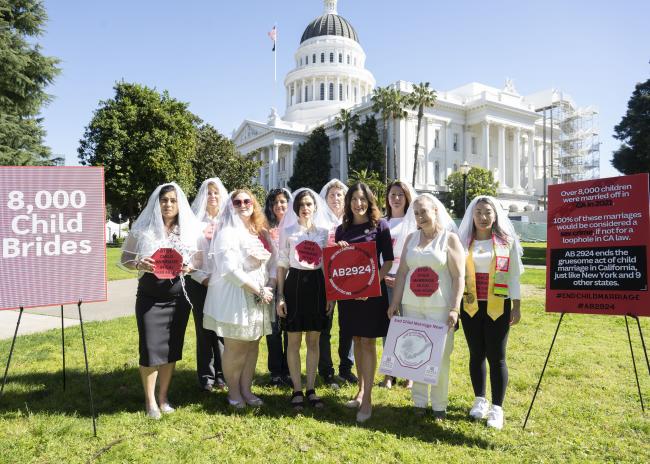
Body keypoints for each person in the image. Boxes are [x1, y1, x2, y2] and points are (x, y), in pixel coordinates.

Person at [121, 183, 201, 419]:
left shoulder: (187, 230)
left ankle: (164, 397)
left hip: (178, 299)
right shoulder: (144, 228)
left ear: (179, 205)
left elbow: (199, 261)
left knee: (170, 349)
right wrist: (138, 264)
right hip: (149, 297)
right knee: (149, 349)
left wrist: (190, 267)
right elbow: (125, 258)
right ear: (157, 203)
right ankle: (150, 402)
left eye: (172, 201)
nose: (168, 204)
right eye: (164, 200)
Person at [387, 194, 465, 420]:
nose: (420, 216)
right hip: (412, 305)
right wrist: (395, 302)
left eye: (424, 211)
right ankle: (419, 402)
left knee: (440, 357)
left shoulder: (449, 239)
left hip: (439, 306)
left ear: (435, 211)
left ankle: (439, 405)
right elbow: (402, 273)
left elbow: (459, 276)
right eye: (416, 213)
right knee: (415, 354)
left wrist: (454, 308)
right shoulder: (411, 238)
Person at [203, 189, 276, 408]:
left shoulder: (260, 232)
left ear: (254, 204)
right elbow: (229, 269)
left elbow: (273, 262)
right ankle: (233, 392)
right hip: (237, 296)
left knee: (253, 345)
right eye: (237, 202)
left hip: (260, 295)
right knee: (236, 347)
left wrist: (270, 285)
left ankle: (246, 389)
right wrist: (259, 290)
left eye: (247, 200)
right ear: (231, 206)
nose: (243, 204)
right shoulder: (227, 232)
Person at [457, 195, 524, 429]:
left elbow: (514, 274)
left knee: (497, 356)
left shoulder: (506, 242)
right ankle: (479, 399)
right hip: (471, 305)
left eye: (488, 212)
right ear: (471, 216)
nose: (483, 217)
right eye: (478, 213)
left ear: (495, 215)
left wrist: (516, 305)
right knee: (476, 354)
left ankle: (497, 408)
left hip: (498, 306)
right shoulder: (464, 242)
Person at [333, 182, 394, 423]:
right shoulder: (341, 230)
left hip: (370, 295)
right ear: (349, 203)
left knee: (368, 343)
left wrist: (372, 284)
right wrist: (339, 249)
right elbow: (338, 262)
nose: (359, 204)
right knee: (356, 340)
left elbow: (387, 261)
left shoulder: (380, 226)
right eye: (354, 199)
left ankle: (367, 399)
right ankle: (359, 390)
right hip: (349, 297)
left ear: (370, 201)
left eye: (363, 199)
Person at [276, 188, 330, 409]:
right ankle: (297, 390)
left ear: (315, 207)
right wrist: (280, 295)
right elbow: (281, 265)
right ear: (295, 209)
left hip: (317, 287)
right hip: (294, 286)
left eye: (309, 204)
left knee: (314, 340)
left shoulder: (324, 233)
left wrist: (331, 295)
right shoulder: (288, 231)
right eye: (301, 205)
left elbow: (328, 265)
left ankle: (311, 388)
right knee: (294, 341)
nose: (305, 208)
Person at [189, 178, 228, 392]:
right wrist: (203, 278)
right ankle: (206, 376)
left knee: (221, 330)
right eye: (209, 193)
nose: (212, 197)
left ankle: (223, 374)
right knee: (204, 330)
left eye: (216, 193)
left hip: (223, 284)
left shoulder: (227, 221)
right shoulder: (195, 223)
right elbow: (190, 257)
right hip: (200, 282)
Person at [318, 179, 356, 387]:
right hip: (326, 279)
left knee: (348, 326)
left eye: (339, 195)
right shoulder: (320, 222)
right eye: (331, 195)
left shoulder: (352, 222)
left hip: (348, 279)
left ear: (345, 198)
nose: (335, 198)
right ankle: (326, 370)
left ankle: (346, 368)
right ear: (325, 198)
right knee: (325, 326)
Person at [380, 180, 416, 390]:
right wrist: (384, 276)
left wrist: (403, 278)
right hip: (386, 280)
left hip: (408, 281)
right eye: (392, 194)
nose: (396, 198)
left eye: (400, 195)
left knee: (408, 326)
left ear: (407, 198)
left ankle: (409, 374)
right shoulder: (382, 222)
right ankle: (389, 373)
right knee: (389, 327)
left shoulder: (413, 223)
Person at [263, 188, 292, 387]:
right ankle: (275, 371)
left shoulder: (296, 226)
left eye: (283, 202)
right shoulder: (265, 228)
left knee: (290, 330)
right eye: (275, 203)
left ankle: (289, 370)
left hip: (293, 283)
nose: (279, 206)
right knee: (273, 331)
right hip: (271, 283)